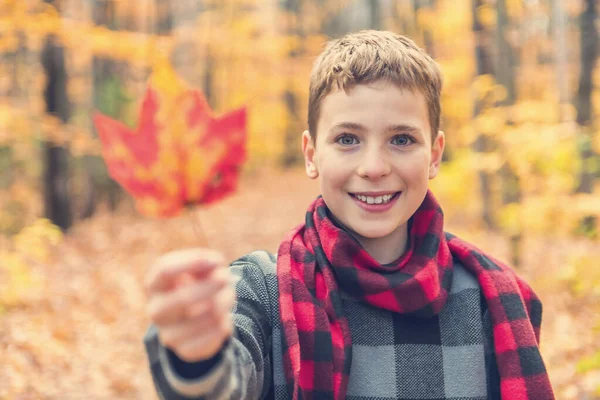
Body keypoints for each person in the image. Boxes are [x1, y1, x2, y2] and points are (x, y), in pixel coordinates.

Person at [143, 30, 554, 400]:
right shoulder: (263, 290)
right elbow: (221, 382)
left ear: (434, 155)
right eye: (347, 139)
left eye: (401, 139)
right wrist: (196, 357)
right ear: (311, 154)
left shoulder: (489, 297)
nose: (373, 166)